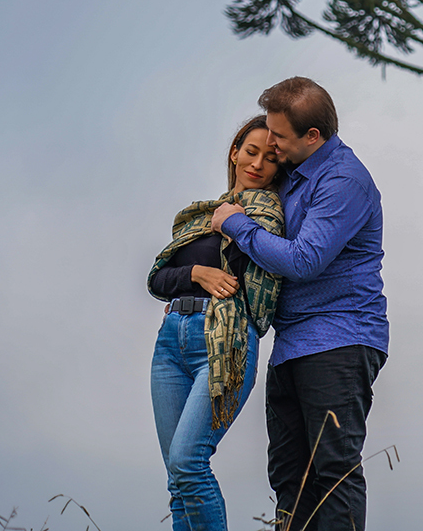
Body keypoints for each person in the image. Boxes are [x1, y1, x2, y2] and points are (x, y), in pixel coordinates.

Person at [212, 76, 388, 531]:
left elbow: (305, 259)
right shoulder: (293, 173)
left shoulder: (344, 179)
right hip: (290, 345)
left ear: (313, 136)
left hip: (338, 340)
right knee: (289, 476)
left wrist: (238, 227)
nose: (270, 143)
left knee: (332, 471)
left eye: (279, 136)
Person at [148, 115, 286, 531]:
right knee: (177, 480)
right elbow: (156, 279)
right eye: (250, 151)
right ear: (234, 152)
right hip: (171, 342)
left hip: (224, 343)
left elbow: (257, 279)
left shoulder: (270, 220)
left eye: (270, 158)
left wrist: (235, 224)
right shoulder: (201, 217)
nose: (258, 163)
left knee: (189, 462)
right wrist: (196, 275)